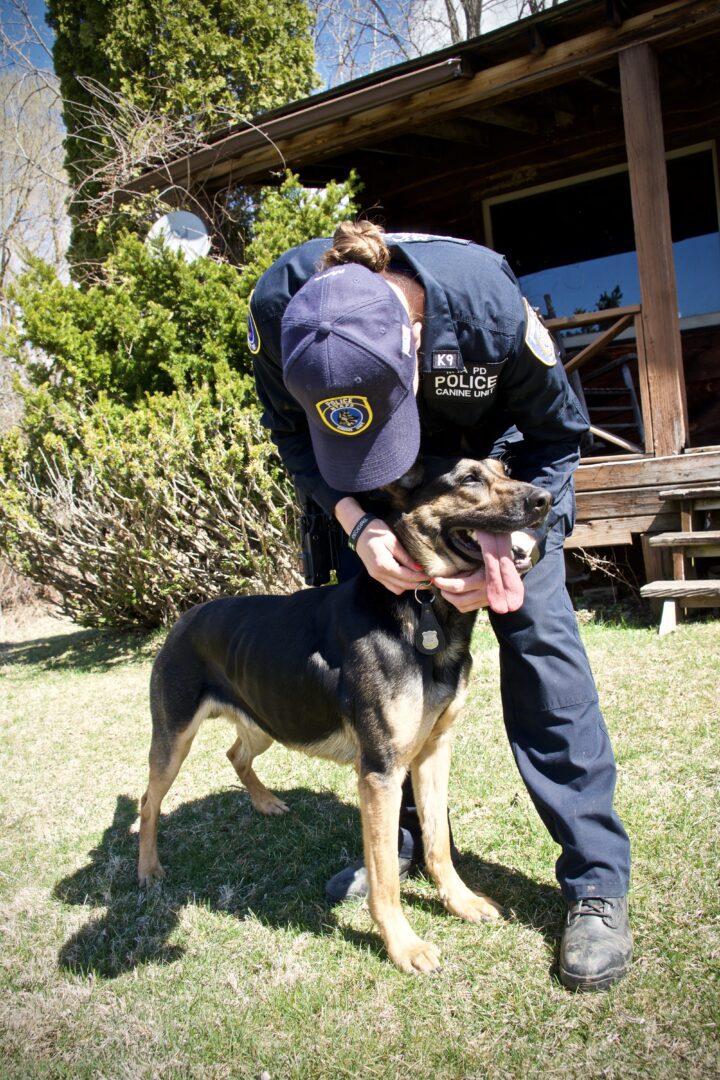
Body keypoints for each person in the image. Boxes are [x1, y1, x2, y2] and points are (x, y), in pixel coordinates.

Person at [248, 221, 632, 992]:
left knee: (543, 659)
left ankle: (595, 881)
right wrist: (357, 524)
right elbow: (293, 437)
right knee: (372, 681)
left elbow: (558, 440)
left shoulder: (486, 299)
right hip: (365, 492)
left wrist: (520, 546)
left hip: (500, 467)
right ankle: (400, 845)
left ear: (416, 341)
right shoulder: (277, 310)